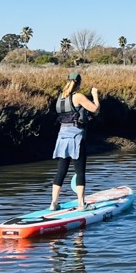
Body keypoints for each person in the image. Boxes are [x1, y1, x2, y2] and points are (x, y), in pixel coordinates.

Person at [50, 71, 100, 211]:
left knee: (61, 170)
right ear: (79, 83)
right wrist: (95, 95)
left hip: (62, 137)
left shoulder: (60, 97)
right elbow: (95, 109)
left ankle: (53, 203)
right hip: (76, 138)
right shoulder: (78, 96)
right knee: (80, 171)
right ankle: (81, 205)